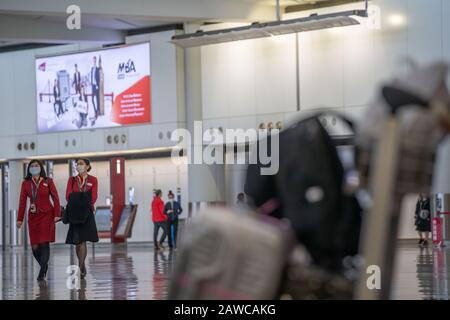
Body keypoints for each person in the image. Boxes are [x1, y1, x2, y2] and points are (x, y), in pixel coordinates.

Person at [16, 160, 61, 281]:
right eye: (32, 166)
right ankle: (44, 266)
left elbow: (56, 198)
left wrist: (57, 214)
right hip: (33, 216)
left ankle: (41, 272)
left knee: (44, 243)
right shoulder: (25, 183)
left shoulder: (48, 181)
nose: (34, 167)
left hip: (47, 215)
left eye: (37, 166)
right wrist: (19, 219)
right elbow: (22, 202)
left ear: (41, 168)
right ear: (29, 169)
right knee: (35, 246)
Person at [65, 158, 99, 279]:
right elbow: (68, 195)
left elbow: (93, 196)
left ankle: (80, 266)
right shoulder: (72, 180)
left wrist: (80, 198)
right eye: (77, 164)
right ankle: (82, 264)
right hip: (74, 213)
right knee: (77, 242)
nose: (79, 166)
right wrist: (83, 197)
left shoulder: (93, 180)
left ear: (88, 166)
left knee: (83, 240)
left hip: (87, 213)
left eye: (81, 164)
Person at [90, 56, 100, 124]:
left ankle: (97, 113)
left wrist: (97, 85)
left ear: (96, 61)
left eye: (95, 60)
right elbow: (91, 77)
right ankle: (95, 111)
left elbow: (98, 78)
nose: (94, 61)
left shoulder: (97, 68)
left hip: (96, 86)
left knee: (97, 100)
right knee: (92, 99)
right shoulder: (91, 68)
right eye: (93, 60)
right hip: (93, 86)